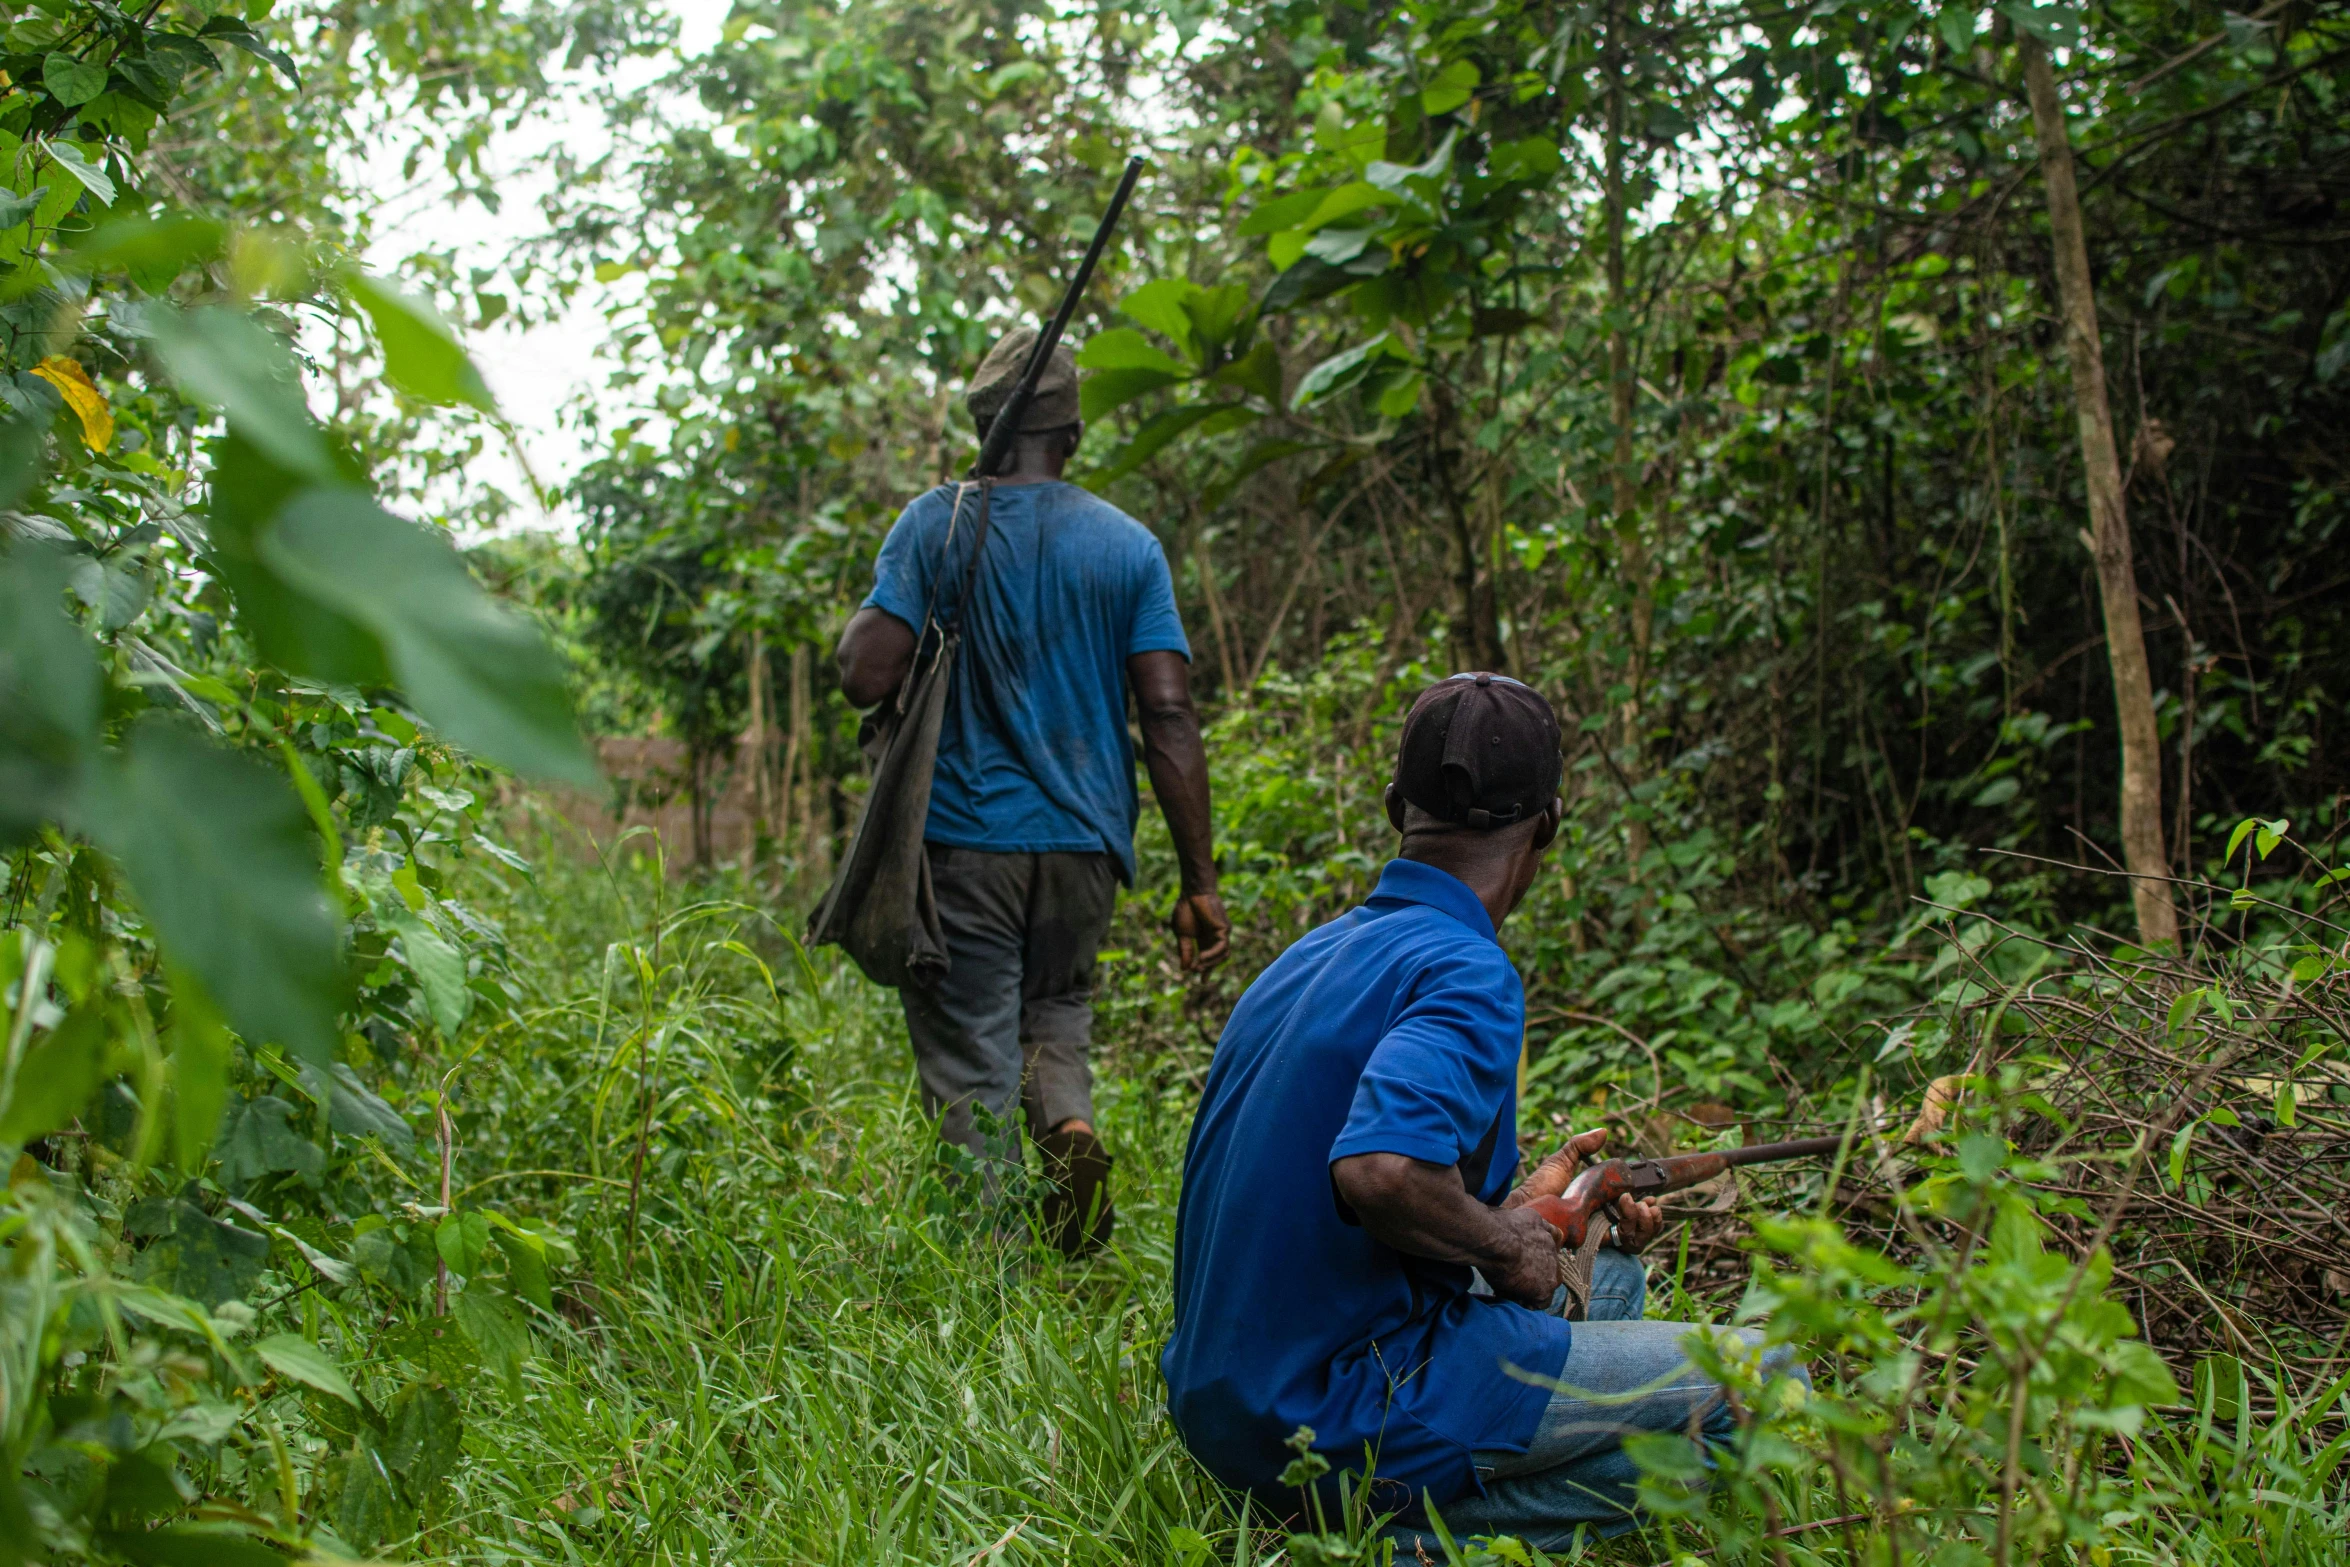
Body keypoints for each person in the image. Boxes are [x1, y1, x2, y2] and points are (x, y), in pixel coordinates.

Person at [1161, 672, 1804, 1548]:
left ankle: (1378, 1501)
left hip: (1221, 1407)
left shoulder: (1305, 960)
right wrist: (1507, 1245)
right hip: (1337, 1411)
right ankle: (1414, 1534)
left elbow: (1351, 1200)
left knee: (1609, 1281)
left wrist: (1518, 1211)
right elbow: (1380, 1171)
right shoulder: (1465, 968)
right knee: (1767, 1374)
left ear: (1397, 807)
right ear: (1547, 825)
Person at [835, 326, 1231, 1256]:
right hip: (1087, 849)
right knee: (1055, 1010)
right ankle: (1069, 1123)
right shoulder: (1129, 547)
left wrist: (916, 577)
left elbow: (863, 672)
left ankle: (992, 1280)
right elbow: (1168, 716)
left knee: (972, 1055)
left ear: (983, 424)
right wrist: (1198, 879)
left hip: (967, 842)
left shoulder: (937, 524)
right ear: (1073, 436)